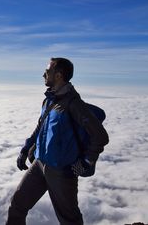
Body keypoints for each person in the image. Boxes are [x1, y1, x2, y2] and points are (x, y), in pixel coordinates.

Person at [6, 57, 109, 225]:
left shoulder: (74, 104)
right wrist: (25, 149)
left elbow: (100, 136)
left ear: (59, 75)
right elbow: (39, 128)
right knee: (18, 204)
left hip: (62, 171)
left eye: (47, 72)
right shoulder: (49, 101)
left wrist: (86, 161)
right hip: (39, 164)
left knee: (69, 219)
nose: (43, 75)